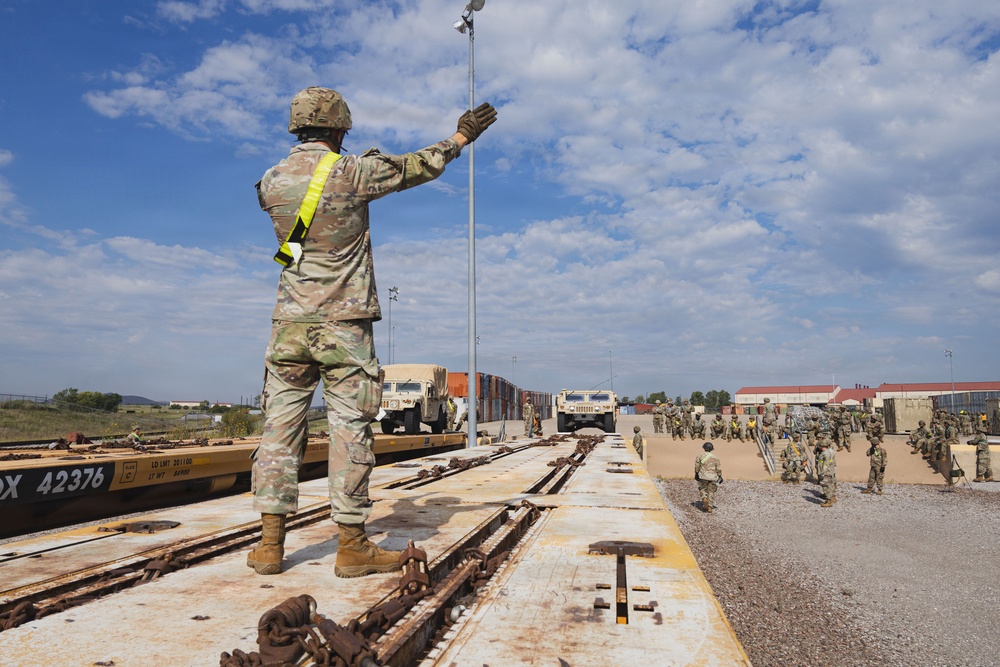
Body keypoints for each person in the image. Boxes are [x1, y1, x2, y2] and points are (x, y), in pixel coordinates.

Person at [247, 87, 497, 578]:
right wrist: (461, 136)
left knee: (279, 431)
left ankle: (270, 545)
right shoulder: (352, 171)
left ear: (297, 127)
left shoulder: (271, 182)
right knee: (348, 429)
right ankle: (353, 545)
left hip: (289, 325)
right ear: (340, 128)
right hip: (344, 326)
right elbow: (419, 166)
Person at [694, 442, 722, 513]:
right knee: (711, 491)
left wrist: (696, 473)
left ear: (704, 448)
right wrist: (720, 476)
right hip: (713, 477)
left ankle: (704, 499)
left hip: (703, 476)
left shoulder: (700, 456)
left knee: (702, 488)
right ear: (712, 449)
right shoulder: (715, 457)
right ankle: (710, 507)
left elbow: (697, 466)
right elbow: (718, 468)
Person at [815, 440, 837, 507]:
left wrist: (822, 473)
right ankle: (831, 497)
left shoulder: (825, 454)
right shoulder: (831, 451)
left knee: (825, 485)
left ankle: (828, 500)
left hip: (826, 472)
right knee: (830, 484)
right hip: (831, 470)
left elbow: (825, 464)